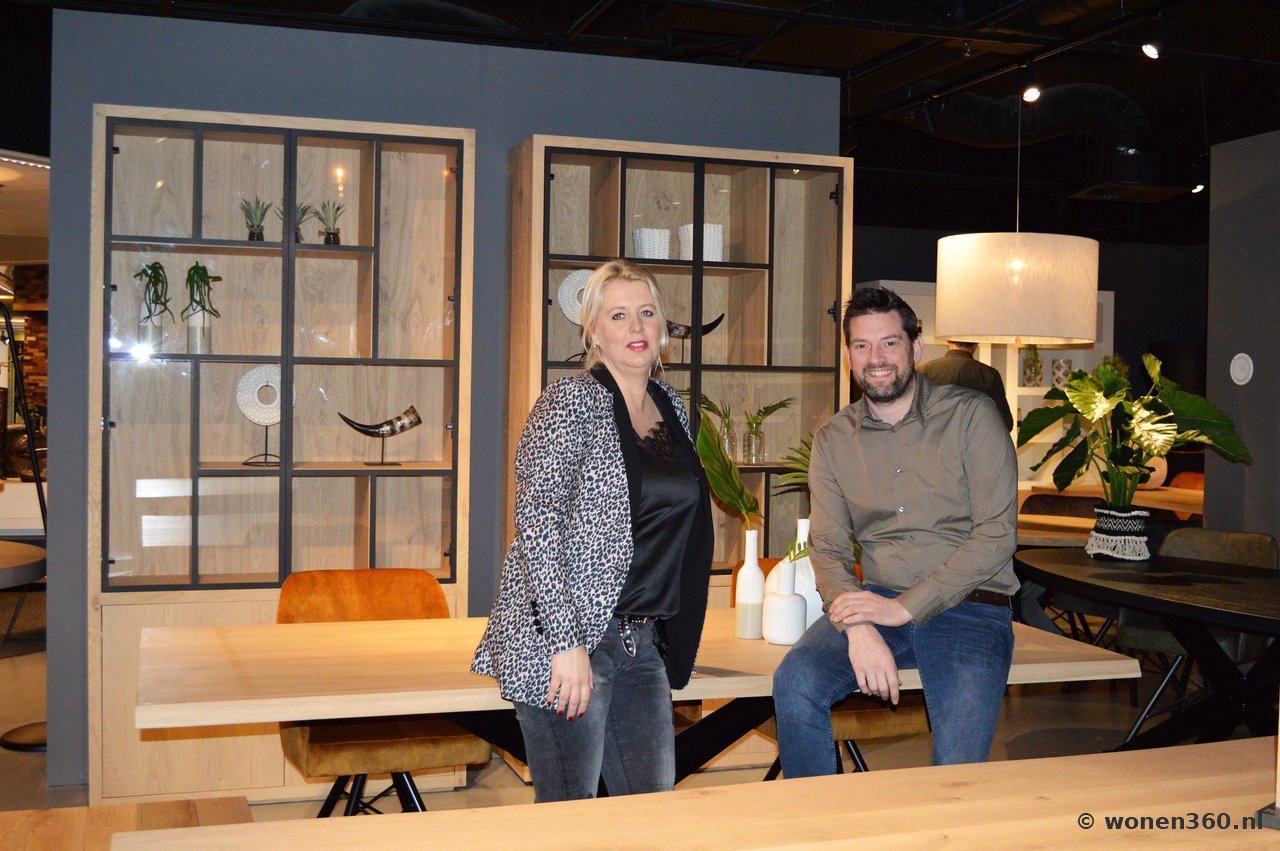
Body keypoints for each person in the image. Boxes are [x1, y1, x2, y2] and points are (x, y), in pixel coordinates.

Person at [472, 259, 713, 802]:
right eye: (618, 315)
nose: (636, 327)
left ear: (663, 328)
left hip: (640, 640)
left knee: (649, 810)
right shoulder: (570, 399)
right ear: (594, 332)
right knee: (570, 815)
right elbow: (537, 524)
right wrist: (565, 644)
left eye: (646, 313)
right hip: (569, 639)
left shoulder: (672, 407)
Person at [772, 286, 1019, 774]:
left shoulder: (972, 416)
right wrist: (858, 626)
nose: (876, 359)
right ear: (848, 355)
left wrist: (903, 607)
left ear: (915, 347)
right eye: (862, 346)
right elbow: (829, 549)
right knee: (795, 681)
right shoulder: (832, 439)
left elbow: (997, 534)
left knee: (958, 765)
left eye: (889, 343)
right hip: (877, 600)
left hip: (971, 604)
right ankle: (818, 817)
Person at [917, 340, 1014, 432]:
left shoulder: (924, 371)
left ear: (948, 341)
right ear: (976, 343)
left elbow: (913, 418)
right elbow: (1005, 423)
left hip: (935, 441)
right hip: (975, 441)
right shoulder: (989, 374)